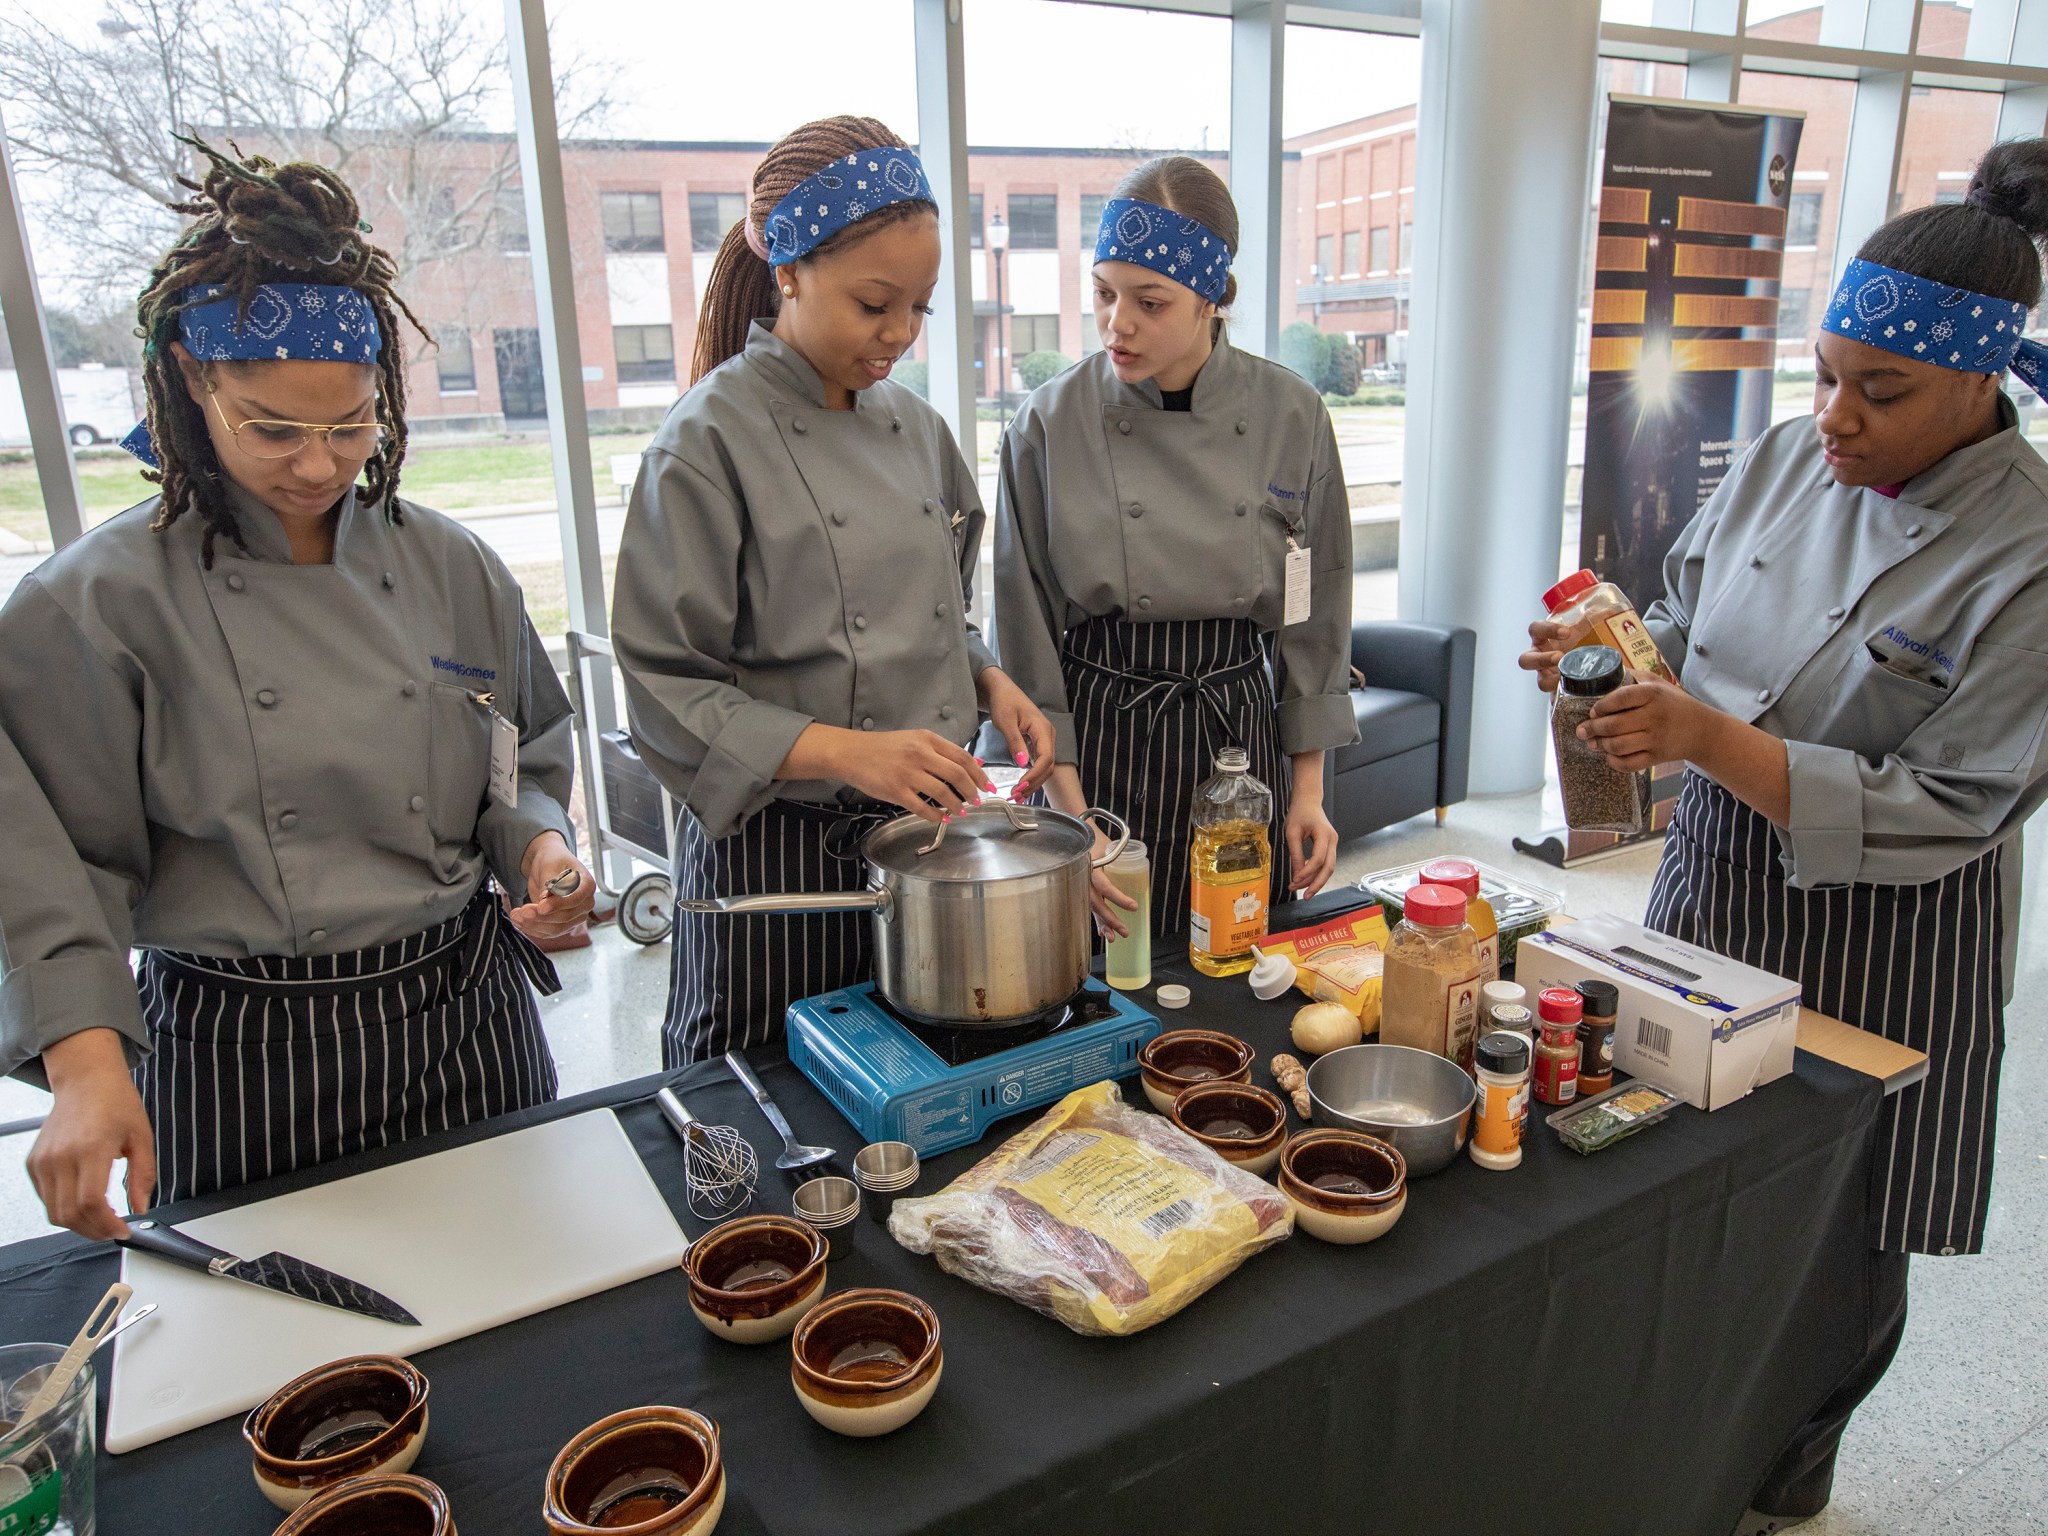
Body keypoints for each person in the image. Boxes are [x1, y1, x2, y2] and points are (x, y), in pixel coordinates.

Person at [1522, 138, 2048, 1532]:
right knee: (1680, 1181)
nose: (1834, 418)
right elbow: (1685, 631)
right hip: (1716, 888)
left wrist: (1711, 741)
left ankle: (1784, 1472)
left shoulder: (2030, 554)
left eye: (1884, 393)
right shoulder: (1775, 461)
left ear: (1985, 383)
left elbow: (1955, 802)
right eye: (1822, 373)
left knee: (1834, 1232)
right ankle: (1672, 1433)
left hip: (1889, 928)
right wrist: (1613, 669)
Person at [0, 140, 593, 1240]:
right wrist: (84, 1066)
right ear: (189, 379)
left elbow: (518, 759)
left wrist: (541, 850)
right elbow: (52, 867)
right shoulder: (94, 604)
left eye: (350, 424)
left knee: (528, 1315)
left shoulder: (450, 566)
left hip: (461, 1017)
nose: (318, 465)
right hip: (238, 1050)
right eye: (271, 428)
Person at [612, 116, 1055, 1065]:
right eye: (872, 304)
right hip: (780, 859)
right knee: (767, 1123)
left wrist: (986, 680)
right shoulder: (705, 445)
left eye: (921, 308)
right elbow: (663, 687)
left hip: (923, 849)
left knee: (911, 1108)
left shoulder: (919, 430)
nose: (898, 334)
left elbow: (935, 606)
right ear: (787, 271)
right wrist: (848, 753)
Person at [991, 156, 1357, 948]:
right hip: (1102, 739)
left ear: (1213, 297)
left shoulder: (1291, 414)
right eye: (1104, 293)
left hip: (1237, 740)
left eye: (1150, 302)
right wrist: (1070, 819)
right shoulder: (1048, 424)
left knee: (1236, 960)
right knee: (1107, 977)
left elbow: (1312, 610)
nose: (1117, 323)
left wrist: (1307, 790)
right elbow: (1023, 637)